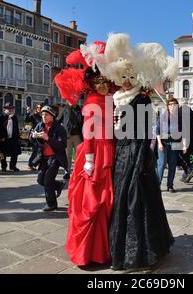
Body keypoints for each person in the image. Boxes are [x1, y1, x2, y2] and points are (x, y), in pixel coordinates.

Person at [98, 33, 175, 271]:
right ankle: (121, 250)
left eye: (132, 76)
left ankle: (142, 252)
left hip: (135, 153)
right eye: (124, 76)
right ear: (117, 76)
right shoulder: (115, 98)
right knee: (121, 201)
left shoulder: (141, 100)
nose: (128, 81)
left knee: (136, 201)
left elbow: (143, 134)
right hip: (119, 153)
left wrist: (142, 159)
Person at [58, 42, 117, 266]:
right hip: (95, 154)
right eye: (97, 82)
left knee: (107, 202)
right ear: (91, 83)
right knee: (94, 202)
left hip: (109, 150)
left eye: (105, 81)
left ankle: (103, 250)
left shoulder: (110, 99)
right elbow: (88, 134)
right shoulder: (92, 102)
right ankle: (87, 253)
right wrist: (90, 161)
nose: (102, 86)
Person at [30, 106, 68, 212]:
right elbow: (32, 140)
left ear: (52, 116)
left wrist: (48, 138)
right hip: (43, 158)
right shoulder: (39, 125)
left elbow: (62, 145)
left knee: (47, 181)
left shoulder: (59, 128)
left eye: (46, 115)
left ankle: (51, 204)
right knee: (40, 180)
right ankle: (59, 184)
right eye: (42, 115)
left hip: (55, 158)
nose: (43, 117)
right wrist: (32, 136)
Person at [156, 98, 188, 193]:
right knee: (161, 165)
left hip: (175, 143)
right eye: (170, 104)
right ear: (168, 106)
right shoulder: (163, 117)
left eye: (174, 104)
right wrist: (159, 143)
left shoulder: (180, 118)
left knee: (172, 165)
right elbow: (157, 130)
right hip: (164, 143)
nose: (172, 106)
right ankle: (157, 185)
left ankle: (170, 185)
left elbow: (184, 133)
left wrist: (184, 145)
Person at [60, 102, 83, 179]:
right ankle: (67, 171)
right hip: (67, 136)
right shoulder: (65, 109)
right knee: (67, 155)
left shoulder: (80, 109)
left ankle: (78, 171)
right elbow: (57, 120)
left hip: (78, 135)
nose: (73, 102)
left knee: (79, 154)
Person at [0, 103, 22, 172]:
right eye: (8, 108)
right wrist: (1, 137)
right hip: (4, 138)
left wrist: (18, 137)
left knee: (15, 153)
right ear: (5, 109)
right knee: (3, 153)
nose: (10, 110)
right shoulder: (1, 117)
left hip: (13, 138)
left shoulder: (14, 117)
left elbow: (16, 128)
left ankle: (13, 166)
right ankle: (4, 166)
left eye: (11, 108)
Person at [178, 100, 193, 184]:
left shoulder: (180, 114)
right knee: (186, 156)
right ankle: (185, 176)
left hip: (183, 139)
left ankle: (189, 171)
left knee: (181, 157)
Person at [25, 104, 43, 171]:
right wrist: (27, 112)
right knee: (37, 151)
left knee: (40, 151)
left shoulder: (44, 116)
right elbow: (26, 120)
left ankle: (34, 164)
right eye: (38, 107)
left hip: (41, 136)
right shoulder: (34, 115)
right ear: (36, 108)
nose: (39, 108)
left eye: (41, 107)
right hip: (34, 136)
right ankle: (31, 164)